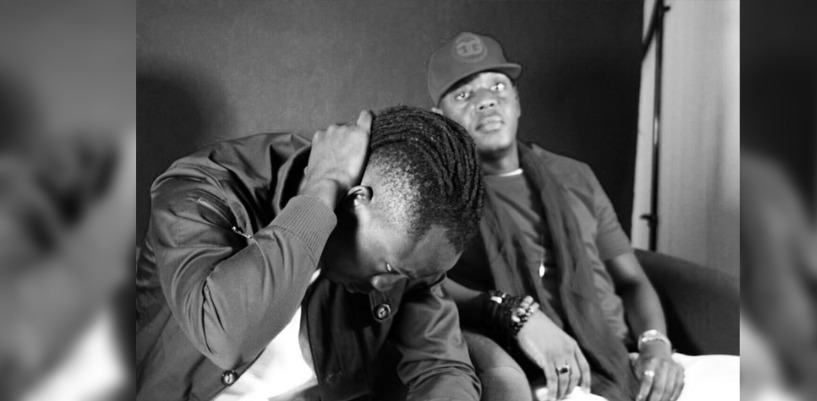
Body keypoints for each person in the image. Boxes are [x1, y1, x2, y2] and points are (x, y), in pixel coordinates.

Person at [426, 32, 739, 401]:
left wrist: (656, 346)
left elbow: (631, 280)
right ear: (440, 118)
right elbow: (426, 287)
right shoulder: (441, 195)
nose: (486, 101)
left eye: (497, 86)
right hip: (544, 375)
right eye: (464, 95)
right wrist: (513, 313)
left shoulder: (575, 175)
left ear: (516, 100)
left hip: (625, 359)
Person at [135, 105, 485, 400]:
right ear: (355, 199)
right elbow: (227, 337)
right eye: (390, 268)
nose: (386, 285)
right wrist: (322, 187)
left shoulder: (406, 250)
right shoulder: (202, 191)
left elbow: (443, 367)